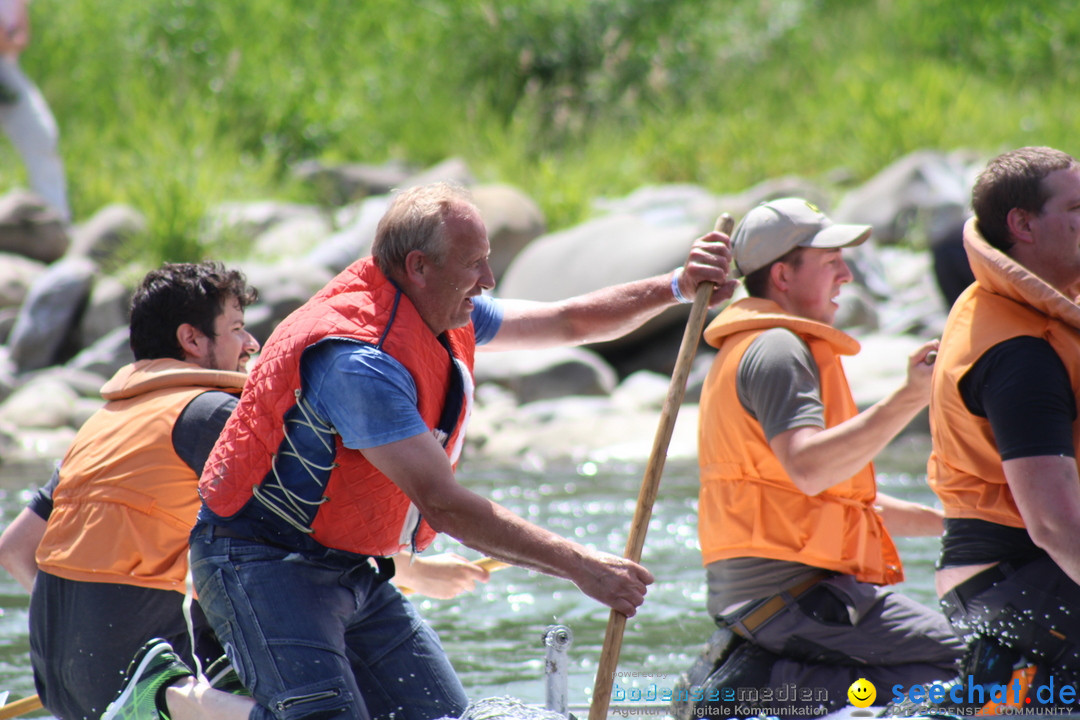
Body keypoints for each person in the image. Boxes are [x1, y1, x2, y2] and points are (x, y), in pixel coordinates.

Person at [100, 181, 737, 720]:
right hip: (261, 561)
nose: (487, 280)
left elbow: (569, 323)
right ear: (418, 268)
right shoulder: (358, 363)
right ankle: (169, 701)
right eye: (474, 265)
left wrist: (678, 285)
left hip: (353, 565)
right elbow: (445, 504)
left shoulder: (444, 309)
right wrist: (581, 566)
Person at [0, 262, 491, 720]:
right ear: (191, 340)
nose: (251, 342)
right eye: (237, 328)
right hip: (141, 676)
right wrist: (417, 571)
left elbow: (15, 548)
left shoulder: (103, 423)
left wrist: (77, 630)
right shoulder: (210, 414)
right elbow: (312, 532)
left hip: (59, 673)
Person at [690, 198, 962, 715]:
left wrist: (958, 524)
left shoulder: (755, 345)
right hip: (794, 598)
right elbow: (811, 469)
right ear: (783, 276)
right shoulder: (777, 348)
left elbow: (831, 497)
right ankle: (771, 685)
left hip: (772, 599)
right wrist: (909, 396)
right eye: (829, 258)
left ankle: (775, 684)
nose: (846, 272)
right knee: (973, 667)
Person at [927, 146, 1080, 705]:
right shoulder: (1023, 352)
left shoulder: (1004, 307)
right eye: (1078, 207)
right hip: (1017, 575)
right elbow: (1054, 524)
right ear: (1023, 225)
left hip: (1007, 576)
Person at [0, 0, 68, 221]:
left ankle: (55, 223)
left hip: (5, 69)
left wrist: (10, 39)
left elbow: (21, 34)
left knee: (40, 135)